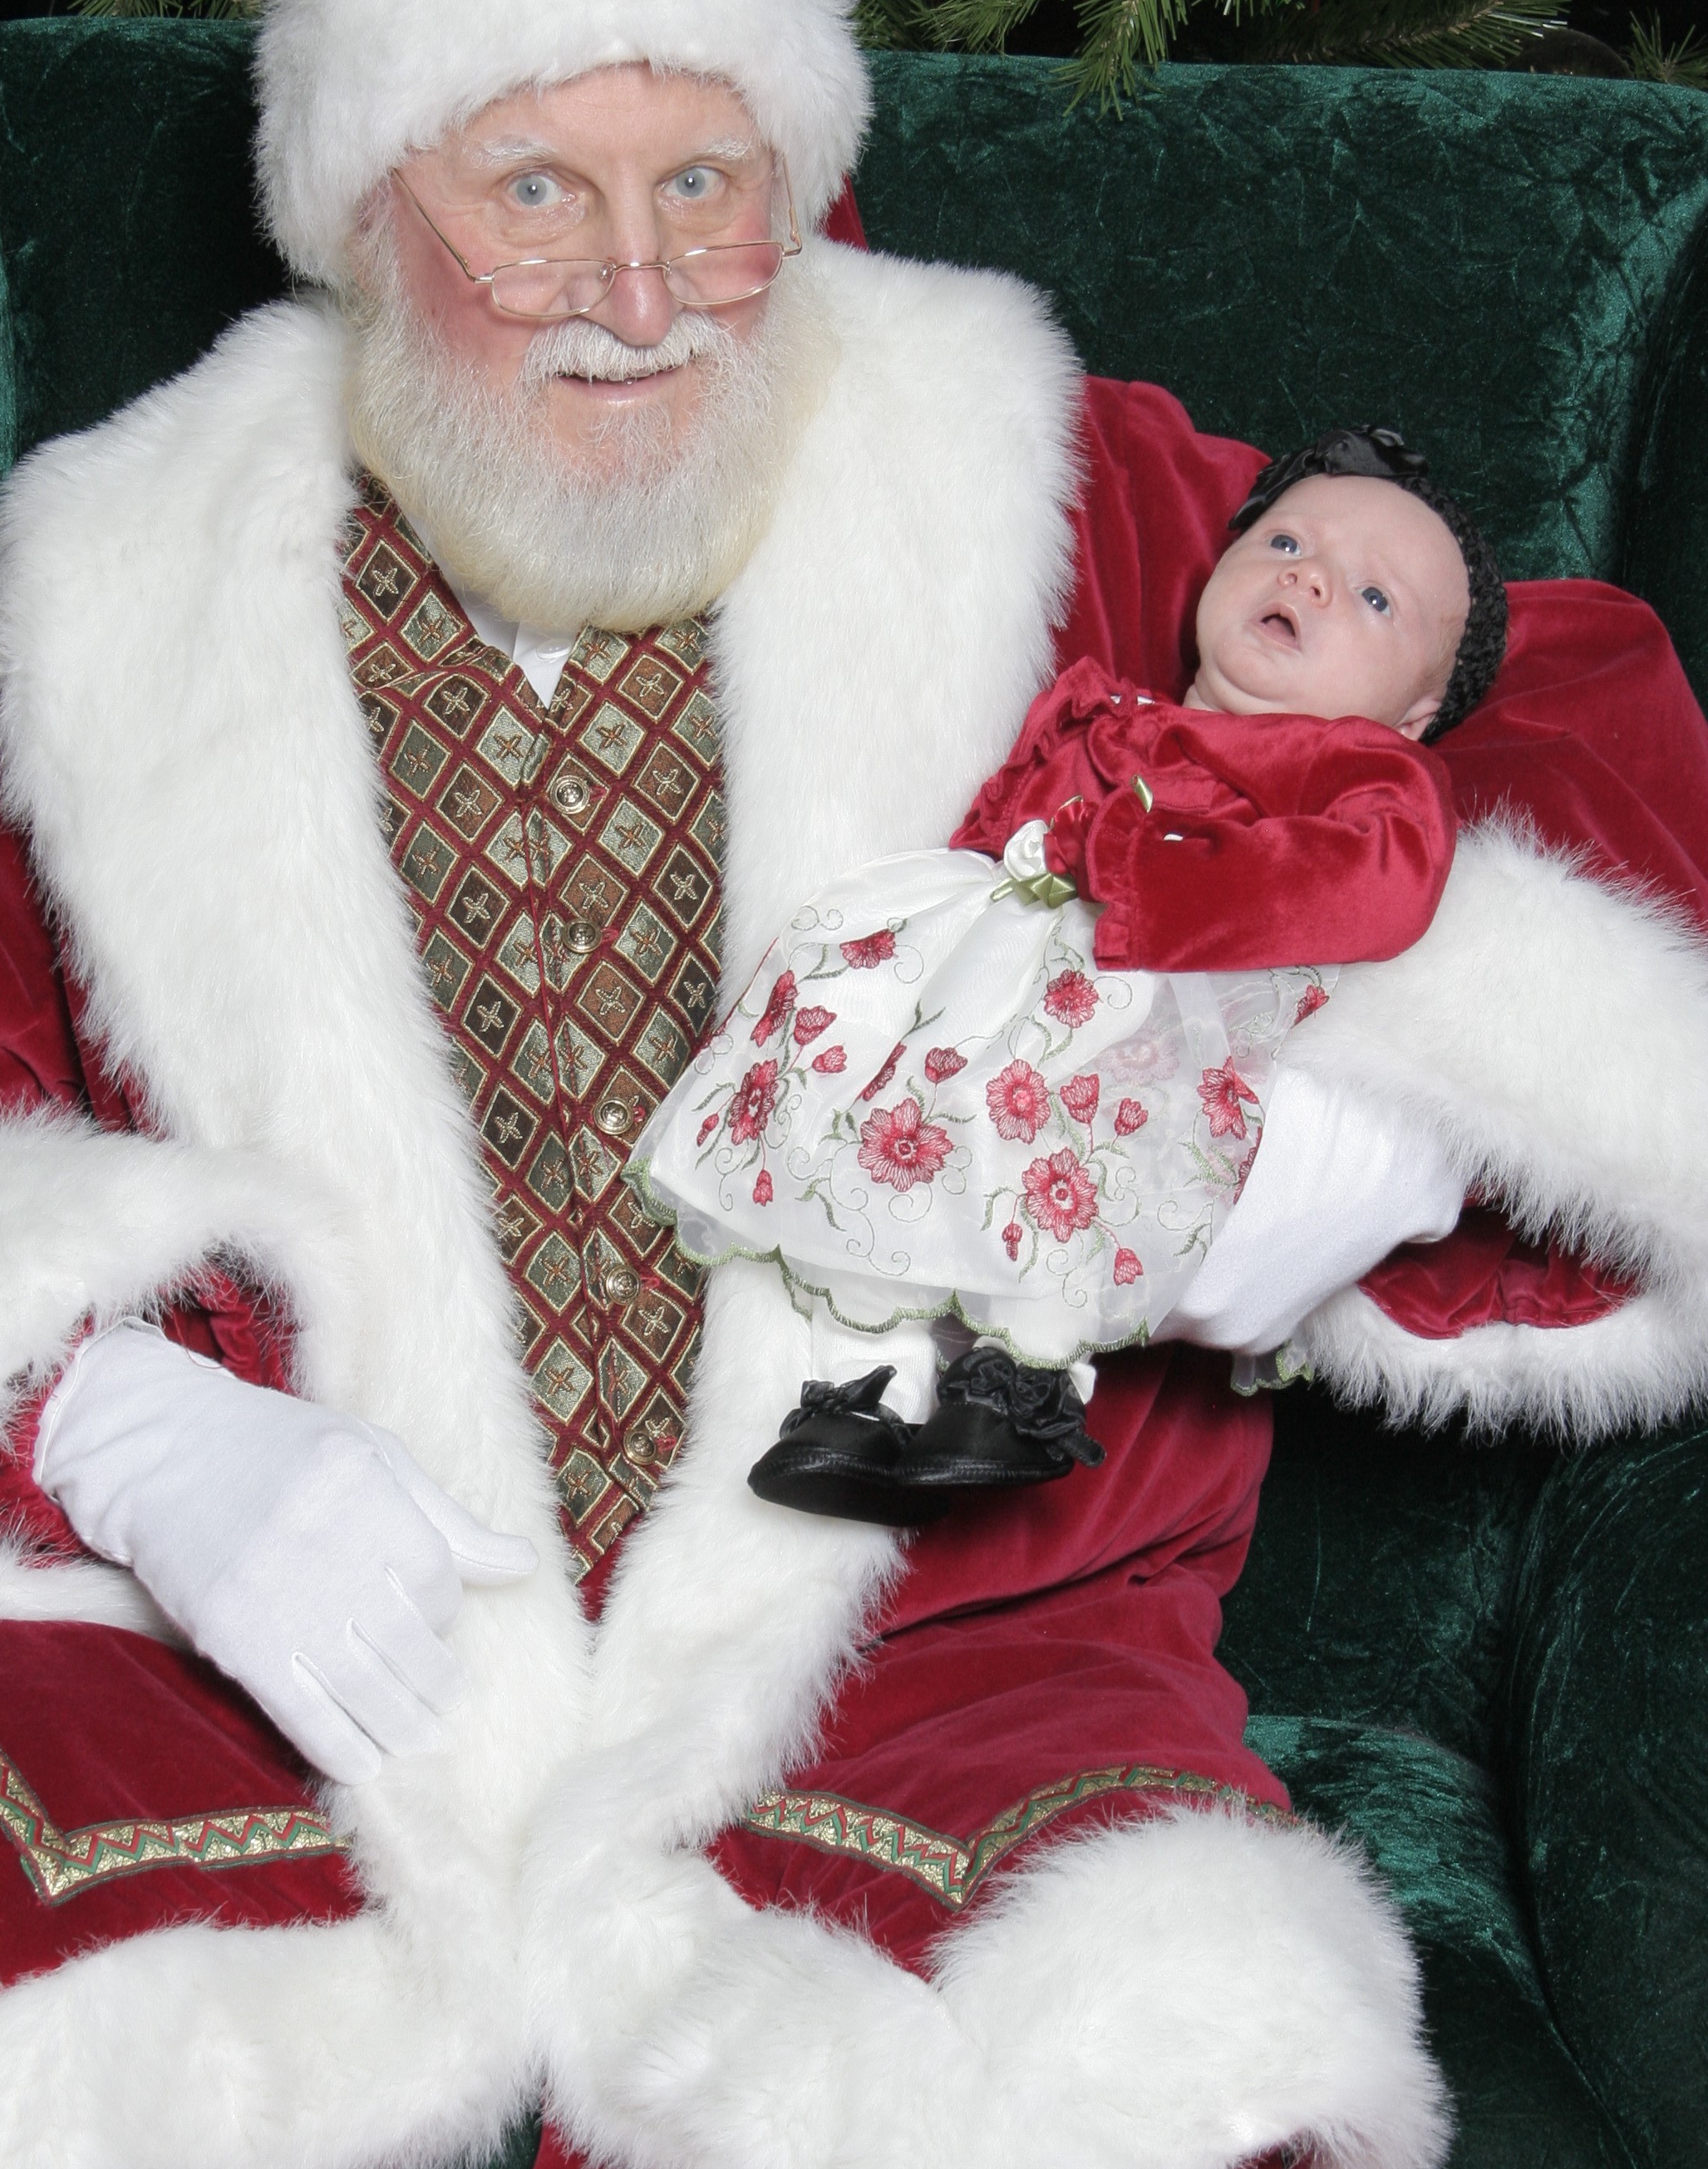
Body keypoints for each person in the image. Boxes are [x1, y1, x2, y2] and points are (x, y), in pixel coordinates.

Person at [0, 0, 1708, 2169]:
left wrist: (1375, 1093)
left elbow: (1543, 683)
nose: (641, 277)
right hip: (307, 1624)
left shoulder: (1043, 478)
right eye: (536, 188)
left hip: (946, 1596)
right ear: (361, 209)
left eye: (707, 176)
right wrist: (146, 1442)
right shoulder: (114, 614)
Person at [635, 430, 1499, 1522]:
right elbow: (997, 826)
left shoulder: (1364, 771)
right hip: (1012, 963)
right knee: (885, 1105)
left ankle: (1026, 1380)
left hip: (1161, 989)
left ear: (1415, 717)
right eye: (1285, 539)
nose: (1312, 575)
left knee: (1060, 1160)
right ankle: (860, 1385)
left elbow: (1373, 885)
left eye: (1373, 599)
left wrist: (1160, 882)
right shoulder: (1101, 710)